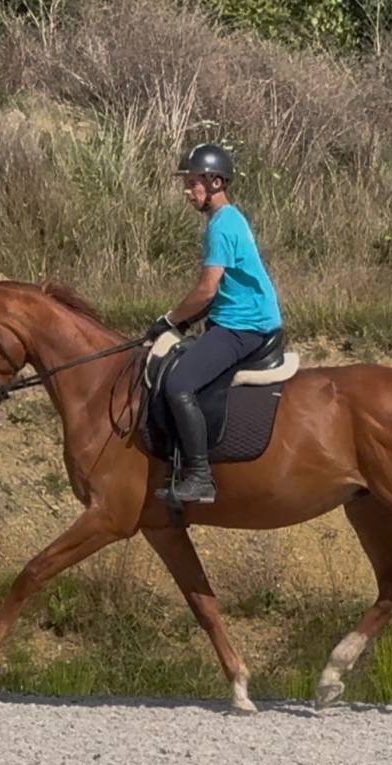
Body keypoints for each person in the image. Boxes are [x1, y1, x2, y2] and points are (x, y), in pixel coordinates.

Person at [145, 143, 283, 504]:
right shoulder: (228, 219)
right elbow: (221, 290)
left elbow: (207, 289)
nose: (187, 191)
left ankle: (200, 477)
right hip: (236, 318)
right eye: (187, 183)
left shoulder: (221, 226)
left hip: (244, 327)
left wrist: (169, 319)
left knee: (178, 383)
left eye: (193, 183)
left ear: (216, 182)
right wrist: (186, 321)